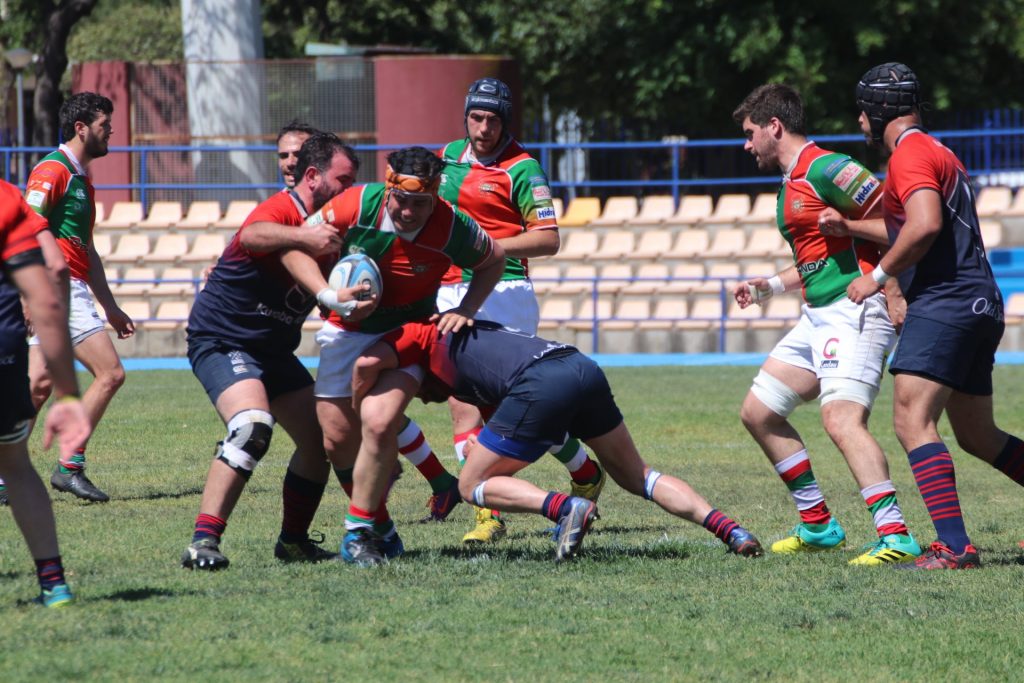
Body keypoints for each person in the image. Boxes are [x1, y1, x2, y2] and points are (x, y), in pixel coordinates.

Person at [351, 320, 764, 563]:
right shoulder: (469, 340)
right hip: (579, 365)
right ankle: (731, 531)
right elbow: (502, 417)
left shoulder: (420, 335)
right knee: (638, 476)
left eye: (417, 392)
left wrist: (359, 415)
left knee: (470, 485)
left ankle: (567, 508)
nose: (423, 398)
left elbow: (365, 363)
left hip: (539, 383)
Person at [279, 146, 505, 565]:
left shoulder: (451, 225)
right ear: (388, 188)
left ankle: (358, 534)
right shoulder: (357, 204)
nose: (408, 212)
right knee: (336, 441)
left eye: (420, 203)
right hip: (345, 330)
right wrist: (327, 294)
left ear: (435, 195)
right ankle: (382, 530)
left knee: (380, 421)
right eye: (401, 200)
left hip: (407, 336)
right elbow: (293, 249)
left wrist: (466, 309)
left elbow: (494, 260)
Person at [730, 84, 921, 565]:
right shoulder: (790, 182)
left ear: (775, 127)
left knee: (841, 419)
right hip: (818, 315)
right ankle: (818, 525)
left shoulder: (828, 168)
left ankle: (896, 536)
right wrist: (768, 288)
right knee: (758, 412)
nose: (747, 145)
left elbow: (899, 225)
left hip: (856, 308)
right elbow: (816, 259)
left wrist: (890, 289)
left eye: (750, 133)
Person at [845, 63, 1024, 570]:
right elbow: (919, 223)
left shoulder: (908, 155)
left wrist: (878, 276)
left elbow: (923, 226)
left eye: (862, 112)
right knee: (978, 435)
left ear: (879, 111)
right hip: (979, 300)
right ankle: (954, 543)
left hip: (947, 300)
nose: (860, 122)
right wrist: (848, 225)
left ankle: (955, 547)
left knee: (911, 419)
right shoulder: (937, 151)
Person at [413, 76, 605, 544]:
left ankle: (584, 470)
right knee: (463, 408)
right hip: (449, 291)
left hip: (505, 289)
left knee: (510, 413)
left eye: (493, 120)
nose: (484, 128)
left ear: (505, 122)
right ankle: (488, 512)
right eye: (476, 118)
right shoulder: (445, 158)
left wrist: (485, 247)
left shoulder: (523, 168)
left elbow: (548, 238)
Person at [180, 132, 366, 570]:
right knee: (251, 426)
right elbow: (254, 234)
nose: (350, 189)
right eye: (344, 180)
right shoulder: (284, 209)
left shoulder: (339, 229)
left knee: (320, 441)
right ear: (314, 176)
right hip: (223, 340)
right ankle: (203, 541)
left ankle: (294, 542)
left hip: (275, 352)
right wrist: (305, 238)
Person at [19, 92, 133, 503]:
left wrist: (110, 306)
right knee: (110, 374)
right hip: (56, 288)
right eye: (105, 125)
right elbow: (25, 226)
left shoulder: (81, 178)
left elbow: (87, 250)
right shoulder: (54, 169)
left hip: (69, 286)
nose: (111, 131)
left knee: (37, 386)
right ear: (81, 128)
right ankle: (69, 466)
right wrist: (28, 294)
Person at [0, 179, 92, 606]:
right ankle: (54, 585)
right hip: (5, 348)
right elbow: (52, 280)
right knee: (15, 465)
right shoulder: (5, 197)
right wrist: (68, 395)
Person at [276, 120, 318, 189]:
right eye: (283, 156)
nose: (290, 163)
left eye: (298, 155)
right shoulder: (276, 197)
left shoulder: (335, 195)